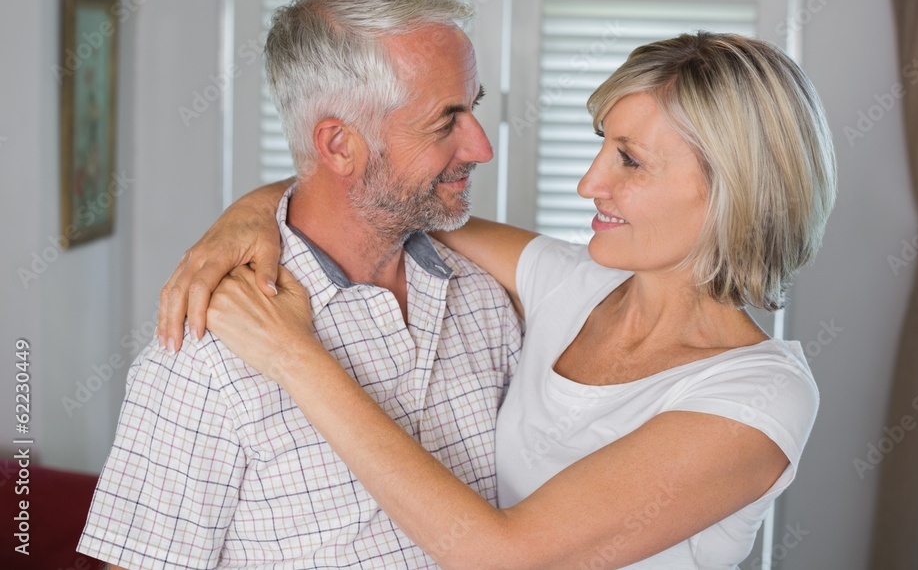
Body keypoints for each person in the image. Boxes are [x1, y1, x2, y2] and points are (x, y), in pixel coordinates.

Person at [160, 31, 837, 568]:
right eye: (601, 145)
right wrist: (247, 212)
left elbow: (499, 555)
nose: (588, 182)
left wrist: (293, 354)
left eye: (628, 160)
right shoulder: (571, 283)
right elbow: (379, 195)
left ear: (732, 189)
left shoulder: (759, 396)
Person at [77, 0, 523, 569]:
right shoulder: (205, 348)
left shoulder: (486, 299)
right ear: (339, 145)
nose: (481, 146)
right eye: (446, 120)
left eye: (474, 107)